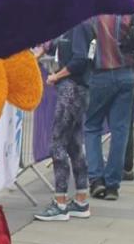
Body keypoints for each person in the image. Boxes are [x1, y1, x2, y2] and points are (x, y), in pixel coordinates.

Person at [34, 26, 91, 220]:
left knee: (57, 143)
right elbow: (52, 46)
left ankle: (60, 202)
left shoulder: (79, 27)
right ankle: (81, 200)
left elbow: (80, 59)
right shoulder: (67, 26)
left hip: (73, 90)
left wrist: (56, 76)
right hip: (70, 89)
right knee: (74, 145)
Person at [84, 13, 134, 200]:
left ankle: (96, 179)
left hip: (99, 75)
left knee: (92, 126)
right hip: (126, 74)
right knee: (120, 130)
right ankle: (113, 185)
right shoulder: (129, 14)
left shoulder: (91, 15)